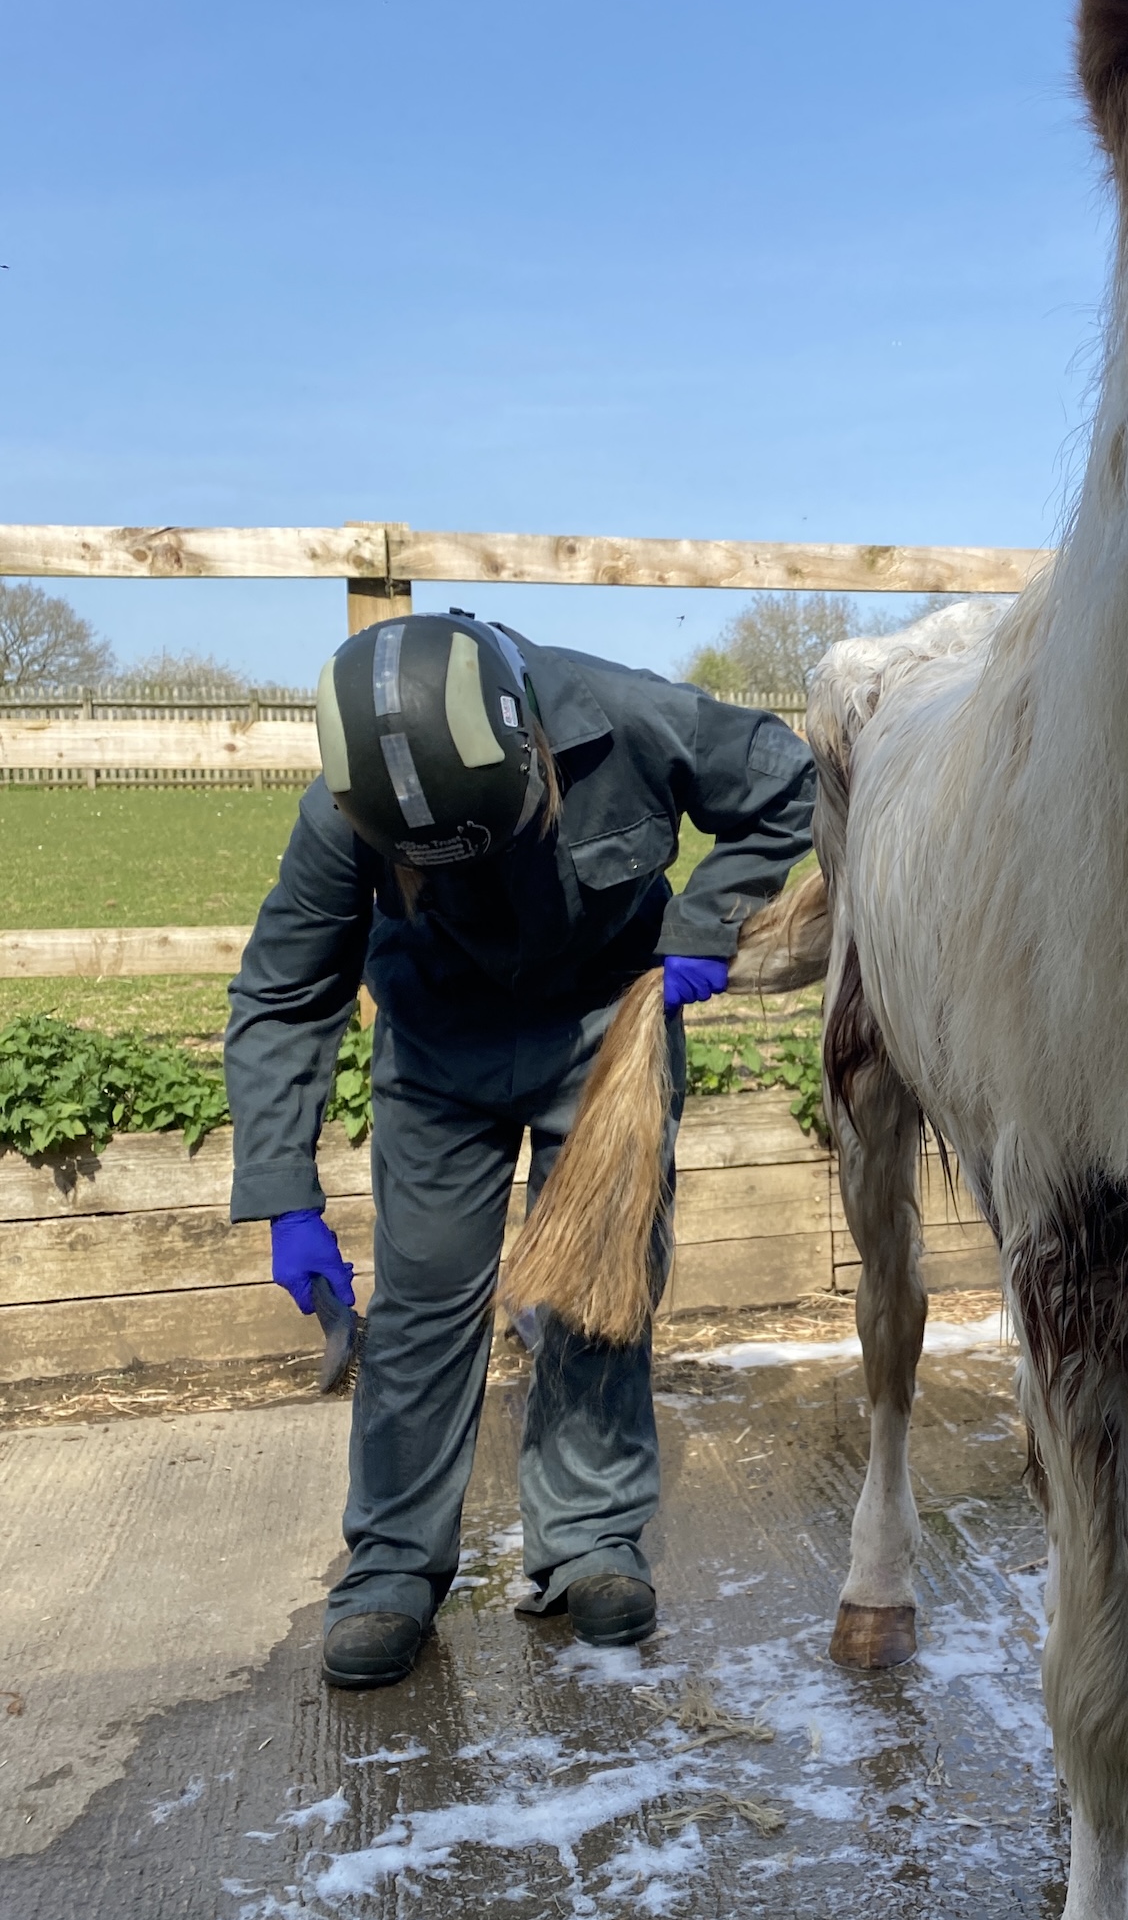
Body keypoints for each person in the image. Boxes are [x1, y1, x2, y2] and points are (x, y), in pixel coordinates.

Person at [224, 610, 817, 1691]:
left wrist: (705, 922)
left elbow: (791, 786)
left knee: (601, 1288)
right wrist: (282, 1190)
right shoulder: (344, 808)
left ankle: (588, 1538)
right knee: (423, 1302)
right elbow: (283, 989)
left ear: (531, 741)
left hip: (602, 1037)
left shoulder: (629, 716)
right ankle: (394, 1566)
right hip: (438, 1049)